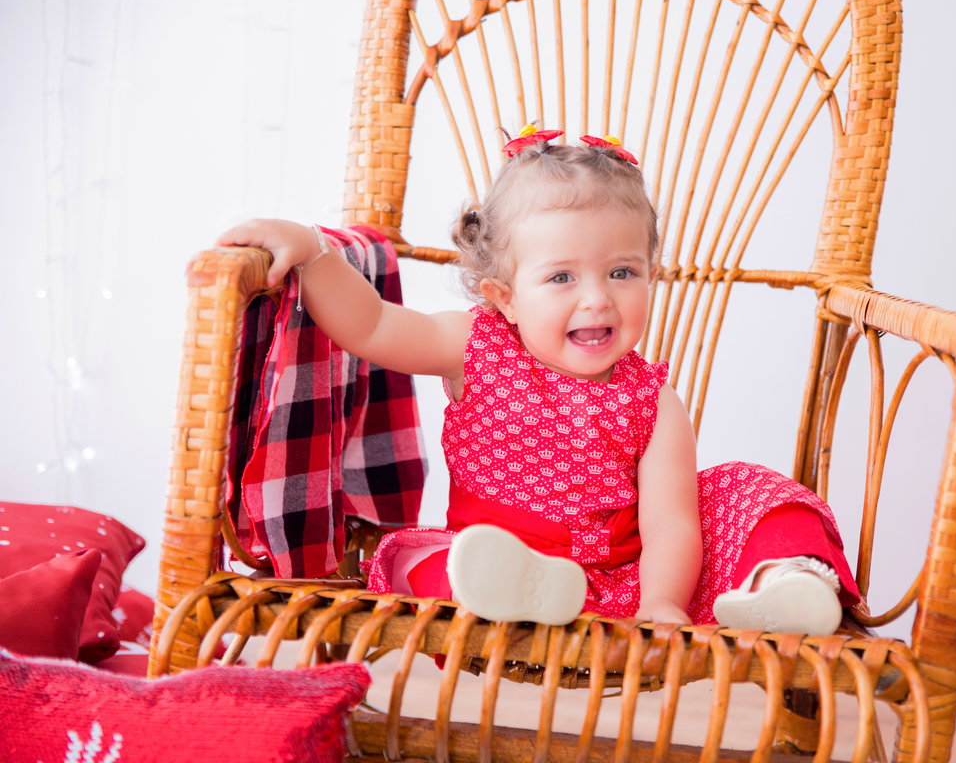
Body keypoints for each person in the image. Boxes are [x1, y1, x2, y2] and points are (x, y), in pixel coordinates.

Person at [217, 126, 860, 634]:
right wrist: (314, 252)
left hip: (621, 584)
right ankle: (507, 590)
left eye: (622, 273)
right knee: (409, 557)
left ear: (650, 274)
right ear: (505, 296)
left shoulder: (653, 401)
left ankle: (784, 585)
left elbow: (670, 528)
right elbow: (373, 327)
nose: (597, 300)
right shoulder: (473, 344)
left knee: (756, 489)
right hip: (490, 558)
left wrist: (661, 603)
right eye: (561, 278)